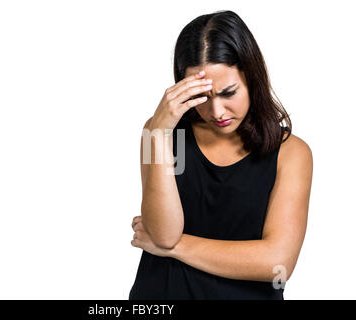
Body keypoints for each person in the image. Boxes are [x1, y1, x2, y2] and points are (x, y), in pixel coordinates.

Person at [128, 10, 313, 300]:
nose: (216, 112)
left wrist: (176, 248)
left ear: (252, 77)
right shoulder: (160, 134)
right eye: (201, 96)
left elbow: (277, 263)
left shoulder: (291, 153)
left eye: (228, 93)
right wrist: (161, 133)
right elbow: (164, 232)